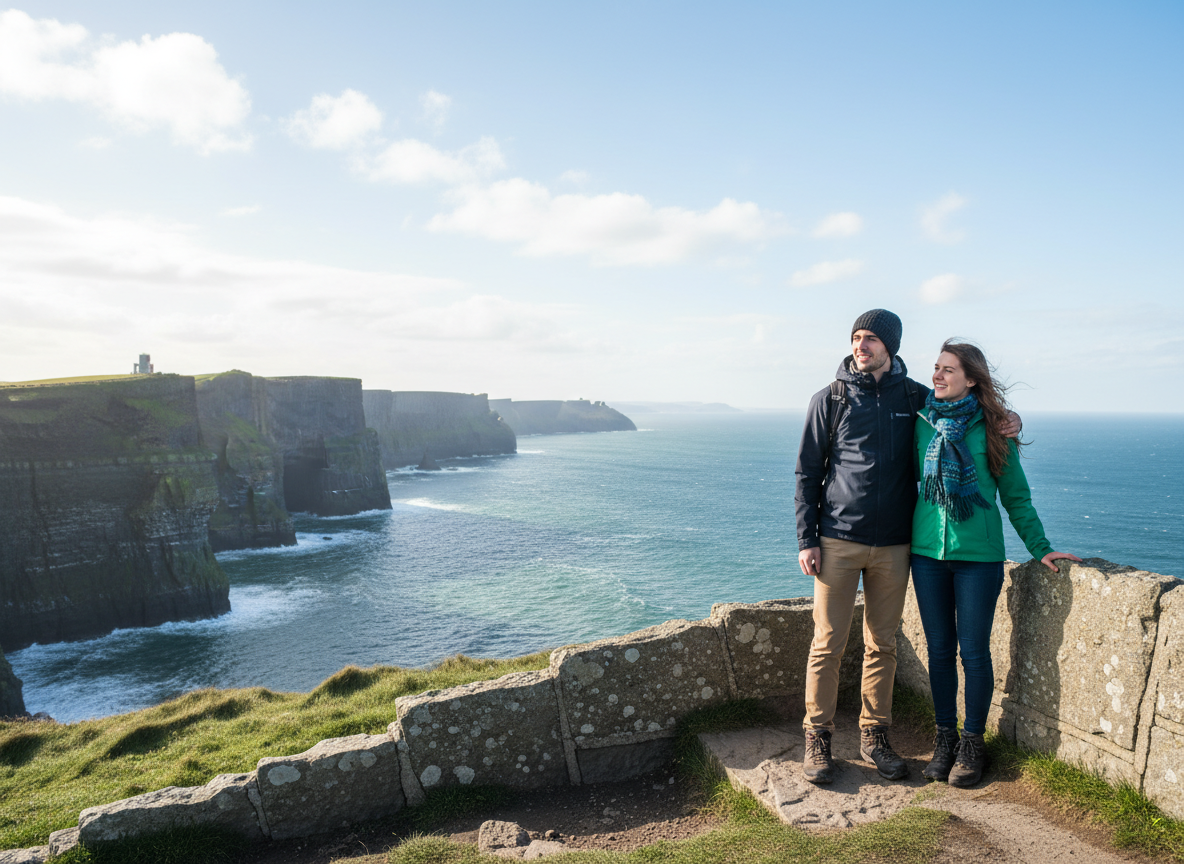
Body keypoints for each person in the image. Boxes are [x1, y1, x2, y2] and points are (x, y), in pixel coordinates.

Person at [794, 310, 1018, 785]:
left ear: (890, 347)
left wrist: (1008, 420)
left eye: (871, 339)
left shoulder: (915, 397)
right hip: (837, 539)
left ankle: (875, 737)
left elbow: (965, 412)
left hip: (896, 545)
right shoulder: (829, 398)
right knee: (827, 643)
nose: (861, 346)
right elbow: (807, 473)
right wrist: (806, 539)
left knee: (883, 644)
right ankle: (818, 738)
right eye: (856, 337)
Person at [911, 339, 1080, 787]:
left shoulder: (995, 428)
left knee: (974, 652)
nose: (938, 375)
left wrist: (1040, 547)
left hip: (979, 559)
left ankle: (972, 743)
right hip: (926, 556)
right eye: (936, 367)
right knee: (939, 651)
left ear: (971, 379)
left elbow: (1016, 496)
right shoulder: (922, 421)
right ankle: (945, 738)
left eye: (948, 369)